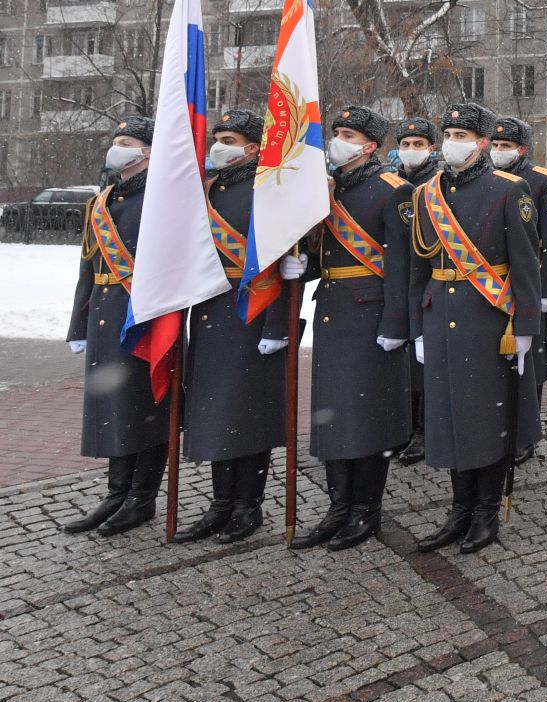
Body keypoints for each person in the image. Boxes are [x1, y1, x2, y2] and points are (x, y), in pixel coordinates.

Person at [408, 103, 543, 555]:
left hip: (487, 319)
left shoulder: (509, 189)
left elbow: (525, 266)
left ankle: (485, 511)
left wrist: (523, 328)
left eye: (462, 134)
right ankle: (459, 510)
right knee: (446, 418)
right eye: (448, 133)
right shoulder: (428, 194)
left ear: (483, 143)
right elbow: (419, 266)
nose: (451, 142)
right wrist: (418, 327)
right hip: (439, 318)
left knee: (485, 419)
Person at [288, 105, 414, 552]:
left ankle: (366, 510)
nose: (338, 139)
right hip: (333, 314)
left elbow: (403, 265)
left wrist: (398, 321)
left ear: (370, 145)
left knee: (369, 418)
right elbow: (321, 255)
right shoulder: (325, 189)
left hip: (372, 317)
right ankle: (338, 508)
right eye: (337, 131)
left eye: (347, 134)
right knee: (334, 417)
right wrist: (299, 265)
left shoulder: (392, 191)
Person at [174, 108, 294, 545]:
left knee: (248, 415)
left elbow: (282, 264)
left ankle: (248, 506)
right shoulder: (205, 190)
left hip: (252, 315)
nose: (219, 146)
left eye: (229, 139)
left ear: (253, 148)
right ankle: (220, 504)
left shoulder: (268, 192)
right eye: (217, 137)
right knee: (214, 414)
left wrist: (277, 327)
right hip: (209, 314)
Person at [62, 116, 168, 536]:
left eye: (127, 141)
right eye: (116, 140)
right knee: (112, 409)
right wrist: (78, 324)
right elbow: (87, 270)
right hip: (106, 313)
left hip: (143, 316)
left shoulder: (162, 198)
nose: (117, 147)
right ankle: (116, 492)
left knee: (144, 409)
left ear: (147, 152)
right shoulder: (101, 202)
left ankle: (142, 498)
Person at [486, 116, 547, 465]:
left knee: (530, 361)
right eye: (495, 145)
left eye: (506, 146)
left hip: (530, 285)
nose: (499, 151)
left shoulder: (542, 182)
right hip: (496, 284)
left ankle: (525, 435)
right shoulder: (487, 180)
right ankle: (502, 427)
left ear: (521, 149)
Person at [392, 116, 440, 465]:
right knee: (403, 363)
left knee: (423, 366)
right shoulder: (392, 181)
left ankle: (425, 432)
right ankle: (404, 427)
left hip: (426, 276)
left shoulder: (437, 184)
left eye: (418, 145)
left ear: (432, 148)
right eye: (405, 145)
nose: (410, 151)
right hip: (395, 278)